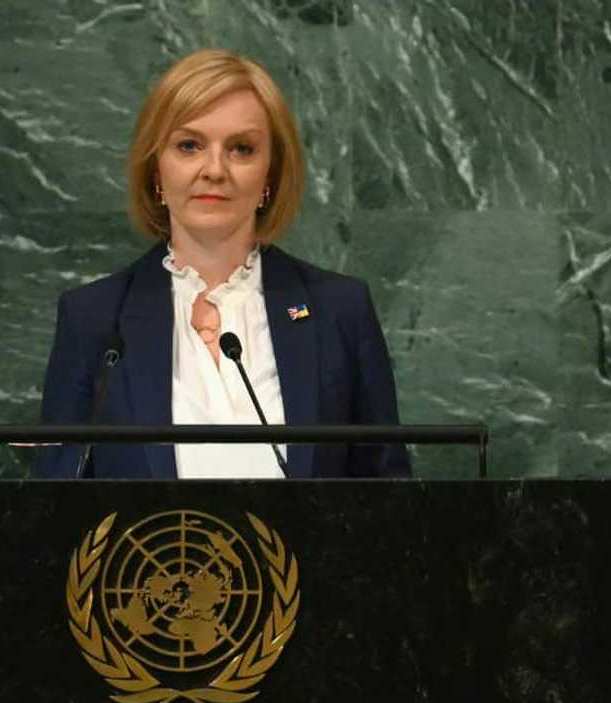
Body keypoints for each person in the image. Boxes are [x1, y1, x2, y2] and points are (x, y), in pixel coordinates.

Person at [35, 49, 411, 479]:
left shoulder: (340, 309)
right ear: (156, 168)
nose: (214, 169)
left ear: (269, 175)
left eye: (241, 149)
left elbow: (389, 499)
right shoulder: (94, 318)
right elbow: (56, 503)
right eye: (189, 145)